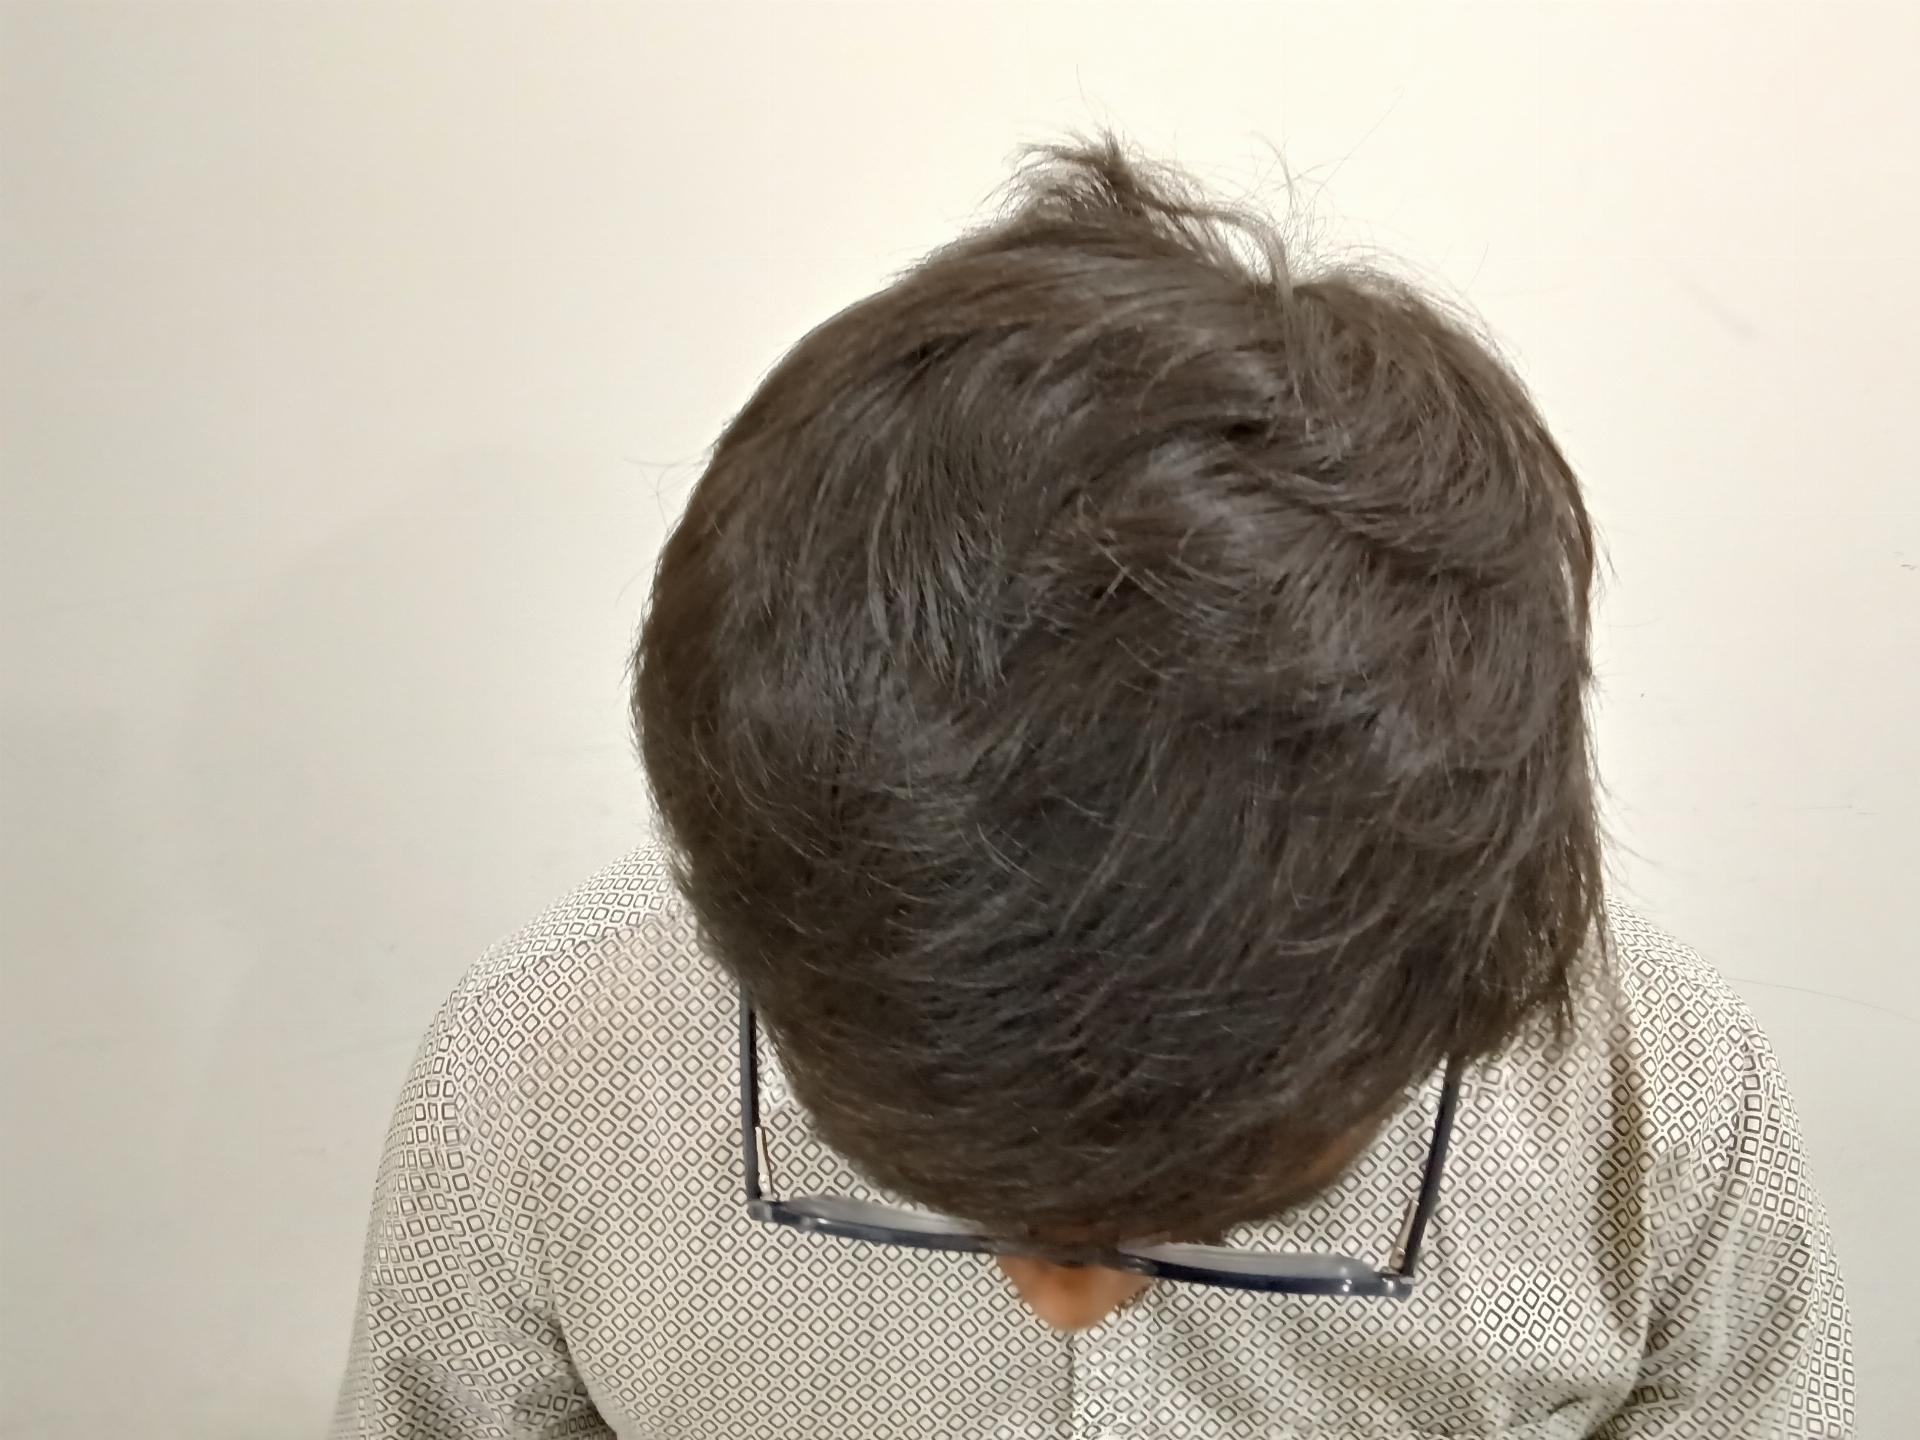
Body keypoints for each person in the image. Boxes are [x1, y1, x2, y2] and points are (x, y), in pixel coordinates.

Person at [331, 137, 1854, 1439]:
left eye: (1214, 1212)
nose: (1067, 1299)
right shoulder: (541, 1082)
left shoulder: (1655, 1114)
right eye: (951, 1193)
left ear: (1463, 976)